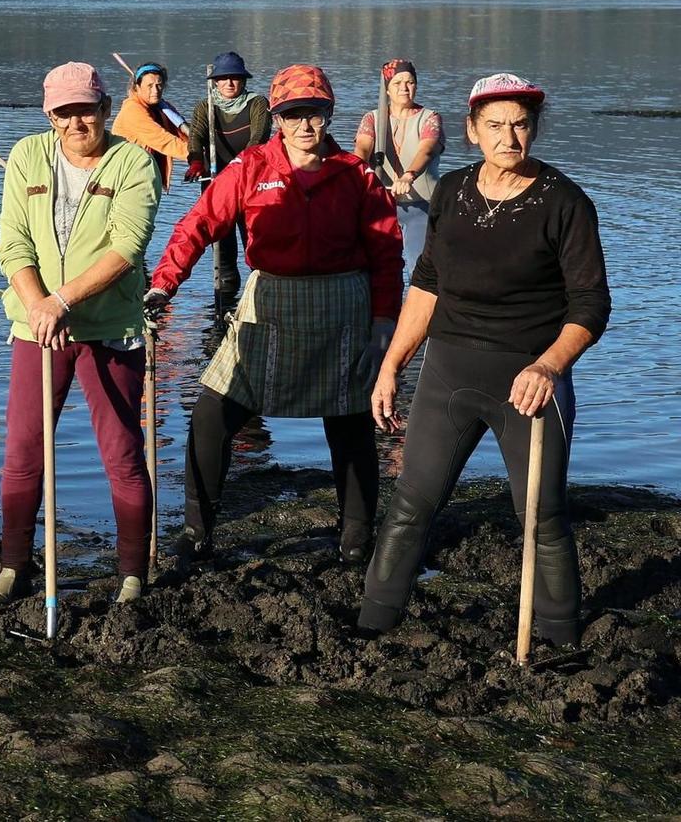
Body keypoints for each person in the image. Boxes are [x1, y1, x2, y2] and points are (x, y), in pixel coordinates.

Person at [359, 74, 609, 645]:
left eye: (521, 125)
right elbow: (426, 284)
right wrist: (393, 364)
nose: (509, 137)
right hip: (448, 370)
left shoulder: (565, 203)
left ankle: (558, 641)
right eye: (495, 125)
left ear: (534, 129)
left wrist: (549, 366)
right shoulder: (449, 192)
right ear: (472, 131)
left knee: (542, 516)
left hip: (528, 380)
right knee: (411, 501)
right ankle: (374, 624)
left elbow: (592, 305)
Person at [145, 64, 402, 571]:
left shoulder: (357, 175)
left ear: (328, 116)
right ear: (278, 119)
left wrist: (383, 324)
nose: (305, 125)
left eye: (315, 114)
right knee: (213, 413)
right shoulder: (249, 167)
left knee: (349, 423)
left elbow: (387, 254)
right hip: (270, 301)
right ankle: (198, 531)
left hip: (341, 305)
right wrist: (162, 285)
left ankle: (356, 536)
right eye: (293, 115)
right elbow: (198, 225)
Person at [0, 62, 159, 602]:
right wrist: (40, 304)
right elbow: (13, 242)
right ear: (50, 115)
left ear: (105, 109)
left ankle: (133, 571)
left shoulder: (133, 160)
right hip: (37, 326)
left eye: (85, 109)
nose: (75, 121)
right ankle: (15, 563)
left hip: (109, 328)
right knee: (22, 451)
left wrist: (64, 300)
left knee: (121, 453)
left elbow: (127, 246)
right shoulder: (26, 156)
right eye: (64, 112)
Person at [185, 51, 271, 309]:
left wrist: (239, 167)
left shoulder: (257, 103)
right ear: (215, 82)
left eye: (235, 78)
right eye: (223, 79)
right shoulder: (205, 106)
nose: (229, 84)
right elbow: (196, 137)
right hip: (215, 183)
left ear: (243, 81)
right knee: (223, 250)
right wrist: (195, 161)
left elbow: (259, 139)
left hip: (251, 181)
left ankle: (262, 298)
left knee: (255, 243)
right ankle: (223, 309)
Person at [354, 59, 444, 273]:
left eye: (410, 82)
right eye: (397, 83)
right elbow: (363, 148)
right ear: (387, 89)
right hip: (384, 205)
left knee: (418, 268)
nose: (404, 88)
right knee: (373, 265)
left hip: (421, 205)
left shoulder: (430, 118)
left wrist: (408, 176)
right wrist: (359, 169)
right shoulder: (372, 118)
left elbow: (427, 150)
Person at [112, 62, 191, 193]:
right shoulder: (132, 110)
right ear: (137, 87)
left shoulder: (163, 109)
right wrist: (198, 157)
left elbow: (183, 135)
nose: (155, 90)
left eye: (159, 85)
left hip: (149, 179)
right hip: (128, 182)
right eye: (149, 86)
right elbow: (164, 141)